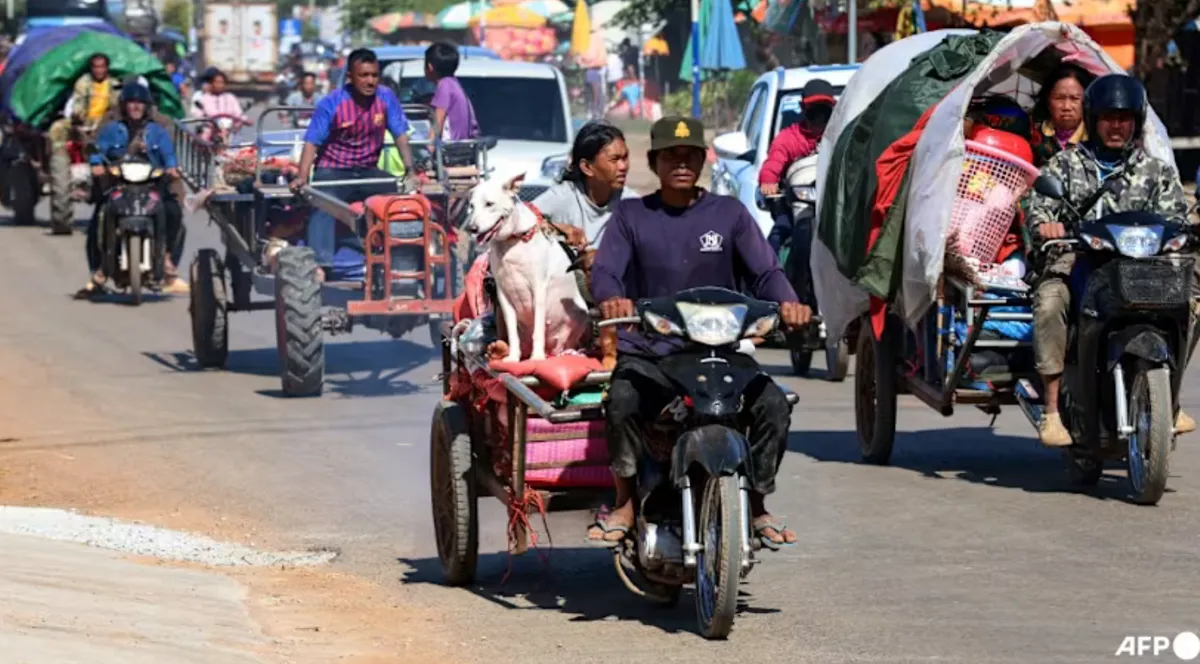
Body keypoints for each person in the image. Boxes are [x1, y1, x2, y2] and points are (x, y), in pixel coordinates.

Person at [587, 115, 812, 548]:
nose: (682, 163)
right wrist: (612, 299)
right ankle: (625, 501)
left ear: (703, 160)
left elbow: (765, 271)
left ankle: (758, 504)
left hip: (719, 353)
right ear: (654, 162)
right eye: (671, 155)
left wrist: (788, 302)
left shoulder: (729, 213)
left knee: (773, 406)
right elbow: (607, 273)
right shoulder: (632, 216)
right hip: (652, 354)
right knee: (622, 399)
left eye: (690, 155)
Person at [1029, 73, 1195, 446]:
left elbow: (1176, 218)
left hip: (1141, 268)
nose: (1116, 125)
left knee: (1191, 301)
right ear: (1094, 119)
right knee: (1050, 302)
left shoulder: (1157, 171)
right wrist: (1048, 226)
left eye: (1124, 118)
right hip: (1079, 259)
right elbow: (1038, 210)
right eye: (1108, 117)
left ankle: (1172, 398)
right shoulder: (1066, 165)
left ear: (1135, 122)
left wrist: (1179, 236)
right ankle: (1053, 411)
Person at [291, 48, 416, 284]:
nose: (370, 81)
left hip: (368, 170)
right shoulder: (332, 103)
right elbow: (312, 142)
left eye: (374, 75)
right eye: (363, 75)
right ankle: (321, 264)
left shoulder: (386, 97)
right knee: (322, 201)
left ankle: (400, 258)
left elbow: (400, 135)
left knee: (398, 201)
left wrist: (411, 171)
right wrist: (302, 176)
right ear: (350, 77)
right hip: (334, 171)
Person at [76, 83, 187, 297]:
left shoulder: (158, 129)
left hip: (151, 184)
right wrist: (97, 164)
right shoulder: (111, 127)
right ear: (124, 106)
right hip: (119, 184)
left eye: (140, 103)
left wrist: (171, 167)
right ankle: (99, 271)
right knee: (100, 218)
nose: (135, 107)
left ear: (147, 106)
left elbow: (168, 153)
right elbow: (98, 149)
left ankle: (165, 258)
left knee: (172, 211)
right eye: (131, 103)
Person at [758, 78, 837, 253]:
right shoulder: (788, 138)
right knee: (778, 236)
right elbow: (773, 163)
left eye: (825, 112)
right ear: (803, 109)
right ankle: (770, 276)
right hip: (795, 207)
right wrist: (768, 181)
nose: (820, 118)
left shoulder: (841, 136)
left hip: (835, 205)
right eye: (814, 112)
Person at [47, 53, 119, 235]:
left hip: (107, 124)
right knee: (57, 129)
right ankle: (60, 160)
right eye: (96, 67)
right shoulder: (83, 83)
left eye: (102, 66)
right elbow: (78, 104)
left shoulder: (114, 84)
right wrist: (79, 118)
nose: (99, 70)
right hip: (85, 124)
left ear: (107, 68)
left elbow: (118, 106)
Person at [533, 121, 636, 247]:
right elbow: (519, 221)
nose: (623, 166)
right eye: (614, 160)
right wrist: (556, 228)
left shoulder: (631, 204)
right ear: (587, 167)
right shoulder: (563, 197)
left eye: (625, 158)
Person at [1030, 65, 1091, 167]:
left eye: (1075, 98)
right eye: (1059, 98)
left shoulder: (1094, 138)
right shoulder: (1032, 133)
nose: (1067, 106)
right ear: (1048, 100)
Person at [424, 42, 479, 144]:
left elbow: (438, 123)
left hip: (451, 150)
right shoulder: (454, 83)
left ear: (429, 67)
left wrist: (428, 151)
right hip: (462, 148)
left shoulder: (444, 85)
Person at [192, 70, 247, 142]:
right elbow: (199, 116)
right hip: (211, 134)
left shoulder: (230, 97)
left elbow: (239, 113)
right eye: (217, 82)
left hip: (231, 132)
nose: (219, 85)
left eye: (222, 83)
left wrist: (242, 120)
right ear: (211, 84)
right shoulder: (204, 99)